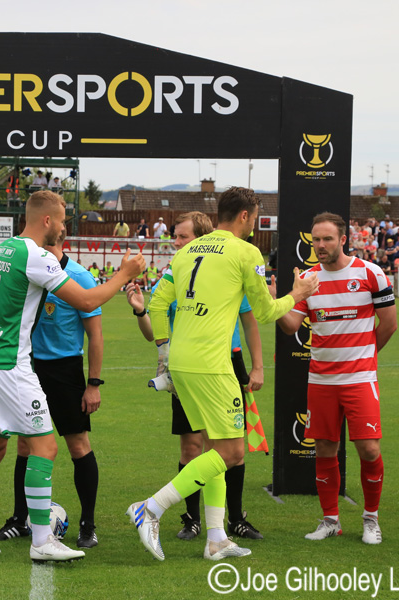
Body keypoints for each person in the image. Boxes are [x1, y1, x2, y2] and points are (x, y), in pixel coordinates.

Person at [0, 189, 145, 561]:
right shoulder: (36, 256)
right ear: (47, 220)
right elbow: (87, 301)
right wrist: (124, 274)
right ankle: (41, 541)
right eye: (62, 220)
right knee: (46, 447)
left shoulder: (0, 250)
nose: (63, 228)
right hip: (13, 366)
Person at [127, 187, 318, 561]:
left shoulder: (186, 252)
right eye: (256, 217)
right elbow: (265, 312)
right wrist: (299, 293)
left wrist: (164, 353)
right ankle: (150, 508)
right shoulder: (245, 251)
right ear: (245, 216)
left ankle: (216, 538)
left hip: (182, 363)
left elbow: (158, 303)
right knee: (231, 452)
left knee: (213, 447)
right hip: (213, 366)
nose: (255, 225)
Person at [126, 211, 266, 542]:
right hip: (192, 367)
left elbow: (250, 321)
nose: (177, 243)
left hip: (227, 363)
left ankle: (231, 523)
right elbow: (153, 330)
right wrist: (140, 310)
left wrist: (257, 366)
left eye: (183, 237)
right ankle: (191, 520)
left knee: (229, 448)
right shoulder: (178, 271)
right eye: (175, 237)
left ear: (203, 238)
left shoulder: (229, 267)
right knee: (195, 446)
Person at [276, 212, 397, 545]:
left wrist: (365, 357)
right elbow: (290, 325)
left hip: (360, 379)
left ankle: (371, 519)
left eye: (327, 239)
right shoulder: (308, 280)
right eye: (316, 239)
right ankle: (331, 520)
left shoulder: (370, 273)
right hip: (322, 381)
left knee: (369, 449)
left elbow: (389, 324)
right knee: (325, 449)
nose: (320, 245)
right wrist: (278, 301)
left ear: (343, 240)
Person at [0, 228, 106, 549]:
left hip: (65, 369)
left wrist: (93, 384)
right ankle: (18, 520)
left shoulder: (79, 276)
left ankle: (88, 525)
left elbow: (95, 335)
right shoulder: (28, 267)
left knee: (78, 444)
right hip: (27, 365)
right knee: (25, 445)